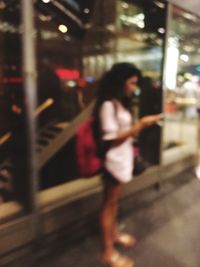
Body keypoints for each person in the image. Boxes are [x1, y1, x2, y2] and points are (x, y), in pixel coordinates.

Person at [93, 63, 162, 267]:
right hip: (113, 161)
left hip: (121, 159)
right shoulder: (108, 104)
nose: (134, 87)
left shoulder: (118, 103)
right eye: (131, 83)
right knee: (109, 204)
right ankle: (108, 251)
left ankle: (113, 235)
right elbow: (110, 137)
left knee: (114, 202)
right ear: (120, 81)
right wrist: (139, 125)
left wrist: (139, 125)